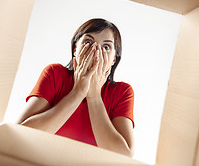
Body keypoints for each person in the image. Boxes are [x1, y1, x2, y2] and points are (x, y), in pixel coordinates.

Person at [15, 18, 134, 157]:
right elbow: (20, 133)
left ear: (114, 59)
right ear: (75, 49)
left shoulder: (122, 92)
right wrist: (78, 92)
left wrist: (94, 96)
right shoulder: (55, 74)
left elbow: (124, 156)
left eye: (106, 47)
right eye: (88, 42)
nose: (96, 51)